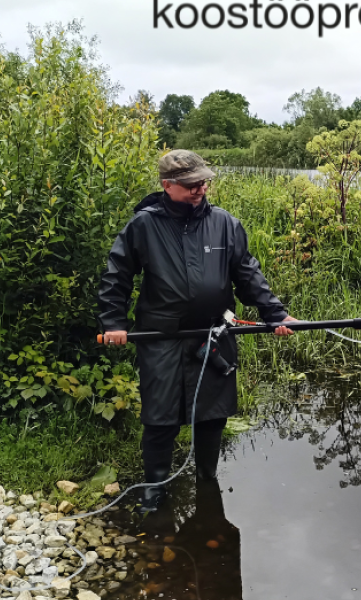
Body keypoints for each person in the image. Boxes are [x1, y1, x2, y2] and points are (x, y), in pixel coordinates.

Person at [98, 149, 297, 513]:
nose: (200, 189)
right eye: (191, 184)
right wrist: (113, 323)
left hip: (214, 336)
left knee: (213, 414)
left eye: (203, 182)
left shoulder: (225, 223)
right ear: (167, 185)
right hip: (162, 338)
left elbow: (247, 273)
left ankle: (207, 480)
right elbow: (117, 276)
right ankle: (154, 487)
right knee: (160, 417)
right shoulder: (143, 225)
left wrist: (276, 314)